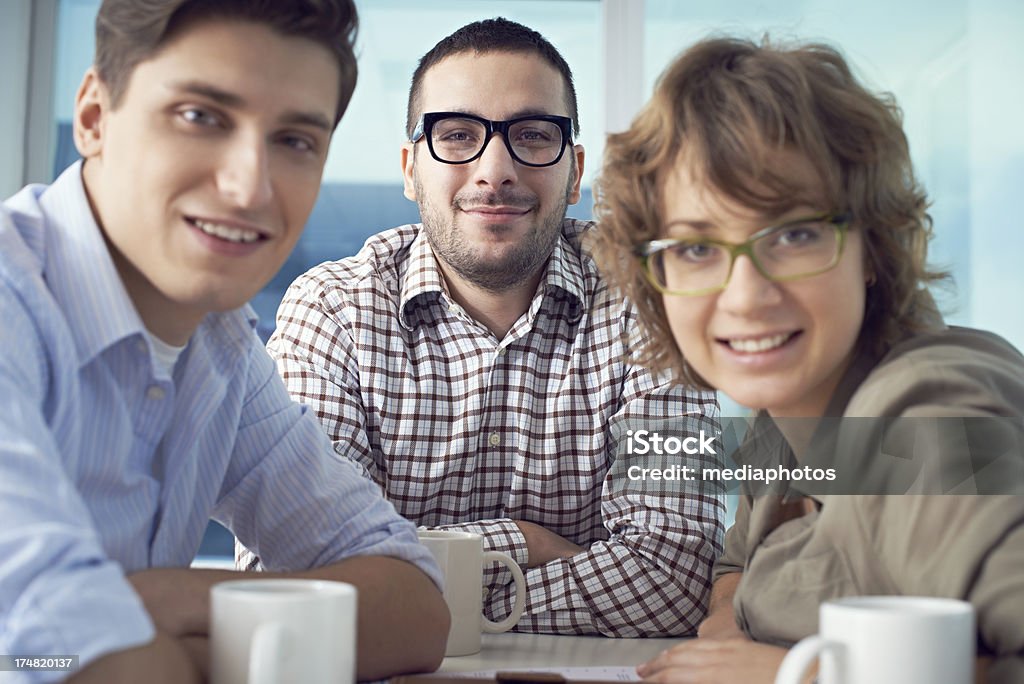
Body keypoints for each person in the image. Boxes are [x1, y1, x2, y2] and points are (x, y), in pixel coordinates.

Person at [0, 1, 449, 682]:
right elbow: (51, 651)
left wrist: (164, 602)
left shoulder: (222, 349)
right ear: (94, 116)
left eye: (295, 140)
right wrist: (251, 635)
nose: (249, 188)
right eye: (200, 117)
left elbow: (416, 608)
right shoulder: (13, 302)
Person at [239, 17, 724, 637]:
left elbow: (672, 581)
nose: (495, 171)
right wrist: (523, 543)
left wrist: (411, 580)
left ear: (574, 172)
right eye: (459, 134)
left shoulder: (650, 301)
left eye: (531, 134)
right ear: (412, 168)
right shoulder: (333, 309)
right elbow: (294, 577)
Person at [591, 37, 1024, 683]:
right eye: (695, 249)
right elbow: (735, 570)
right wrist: (737, 608)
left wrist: (792, 675)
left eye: (794, 234)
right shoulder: (785, 416)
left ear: (874, 248)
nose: (746, 297)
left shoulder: (919, 414)